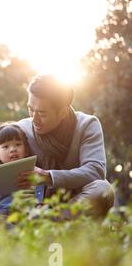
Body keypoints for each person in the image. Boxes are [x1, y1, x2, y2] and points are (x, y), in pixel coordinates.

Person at [16, 74, 114, 217]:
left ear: (62, 112)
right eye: (31, 109)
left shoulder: (87, 125)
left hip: (75, 202)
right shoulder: (21, 129)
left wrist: (49, 176)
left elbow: (95, 170)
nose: (34, 118)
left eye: (42, 113)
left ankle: (48, 223)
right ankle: (47, 223)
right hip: (33, 204)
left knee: (103, 189)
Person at [0, 122, 40, 216]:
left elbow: (42, 187)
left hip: (28, 211)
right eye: (6, 146)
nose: (13, 149)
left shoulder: (32, 169)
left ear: (26, 151)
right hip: (3, 212)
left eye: (18, 144)